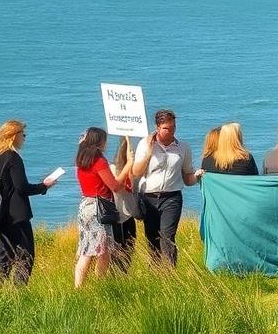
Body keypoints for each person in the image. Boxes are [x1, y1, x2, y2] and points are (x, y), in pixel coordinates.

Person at [0, 119, 57, 284]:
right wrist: (44, 186)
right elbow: (22, 187)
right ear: (13, 136)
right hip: (16, 216)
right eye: (23, 134)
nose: (24, 137)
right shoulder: (13, 157)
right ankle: (18, 292)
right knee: (26, 256)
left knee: (2, 257)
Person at [132, 109, 198, 267]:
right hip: (148, 197)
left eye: (174, 127)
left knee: (167, 237)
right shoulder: (145, 144)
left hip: (172, 197)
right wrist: (148, 153)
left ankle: (170, 274)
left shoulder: (183, 148)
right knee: (152, 238)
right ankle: (155, 274)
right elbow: (136, 172)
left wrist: (198, 176)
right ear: (157, 127)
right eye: (167, 128)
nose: (171, 131)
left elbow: (187, 177)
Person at [74, 126, 131, 287]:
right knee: (102, 250)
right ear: (100, 141)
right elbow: (114, 186)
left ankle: (78, 287)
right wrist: (128, 166)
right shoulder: (98, 160)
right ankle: (100, 284)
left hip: (85, 204)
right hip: (99, 207)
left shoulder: (81, 158)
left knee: (86, 249)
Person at [108, 137, 138, 273]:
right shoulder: (111, 169)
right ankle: (116, 276)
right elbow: (116, 186)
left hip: (128, 215)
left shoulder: (133, 171)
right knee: (118, 251)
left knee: (128, 250)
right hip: (117, 216)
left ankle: (123, 275)